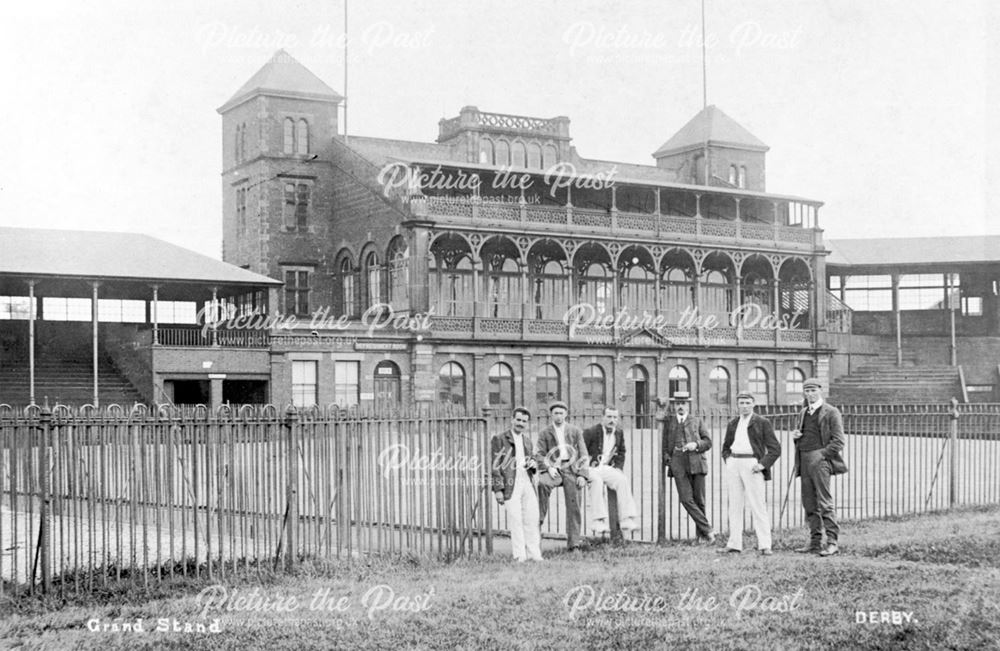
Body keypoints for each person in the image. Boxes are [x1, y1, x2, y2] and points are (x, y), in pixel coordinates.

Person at [719, 390, 781, 555]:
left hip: (752, 464)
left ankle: (765, 545)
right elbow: (725, 447)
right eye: (741, 403)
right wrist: (729, 460)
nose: (744, 406)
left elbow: (775, 449)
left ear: (753, 404)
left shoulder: (762, 422)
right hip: (734, 463)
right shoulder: (733, 423)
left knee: (758, 505)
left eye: (747, 402)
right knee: (734, 505)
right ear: (737, 404)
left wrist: (761, 465)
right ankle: (734, 544)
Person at [792, 377, 847, 557]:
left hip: (821, 461)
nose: (810, 394)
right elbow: (804, 436)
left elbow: (838, 441)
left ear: (820, 391)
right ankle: (815, 542)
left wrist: (822, 455)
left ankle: (832, 542)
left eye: (813, 390)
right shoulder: (803, 413)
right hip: (804, 460)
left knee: (824, 502)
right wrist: (796, 436)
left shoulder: (831, 412)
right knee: (809, 503)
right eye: (807, 391)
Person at [659, 391, 716, 543]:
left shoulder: (697, 421)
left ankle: (702, 536)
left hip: (697, 462)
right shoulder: (669, 422)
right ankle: (708, 529)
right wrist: (669, 460)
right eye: (678, 403)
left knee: (699, 501)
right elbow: (664, 446)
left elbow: (708, 442)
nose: (680, 407)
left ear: (688, 405)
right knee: (685, 499)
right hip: (678, 464)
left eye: (683, 403)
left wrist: (696, 445)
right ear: (674, 405)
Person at [490, 406, 543, 562]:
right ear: (512, 420)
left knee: (532, 519)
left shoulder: (527, 441)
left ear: (527, 423)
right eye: (518, 420)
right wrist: (498, 489)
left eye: (524, 421)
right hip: (510, 483)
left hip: (527, 482)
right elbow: (494, 465)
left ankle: (535, 554)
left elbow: (532, 461)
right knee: (516, 520)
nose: (520, 423)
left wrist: (533, 465)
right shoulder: (499, 439)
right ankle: (520, 556)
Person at [536, 401, 589, 550]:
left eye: (561, 413)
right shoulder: (545, 432)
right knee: (542, 484)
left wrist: (582, 475)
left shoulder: (575, 431)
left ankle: (574, 544)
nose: (558, 416)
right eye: (555, 413)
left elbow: (584, 453)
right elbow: (538, 454)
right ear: (551, 415)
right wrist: (547, 466)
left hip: (571, 469)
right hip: (554, 469)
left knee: (574, 506)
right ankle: (535, 535)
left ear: (566, 414)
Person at [582, 406, 640, 534]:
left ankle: (627, 518)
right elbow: (581, 452)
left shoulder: (618, 432)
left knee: (622, 479)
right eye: (609, 417)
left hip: (606, 468)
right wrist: (583, 471)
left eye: (615, 417)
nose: (612, 420)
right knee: (596, 481)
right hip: (590, 468)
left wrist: (618, 468)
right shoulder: (590, 432)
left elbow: (622, 452)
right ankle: (598, 521)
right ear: (602, 417)